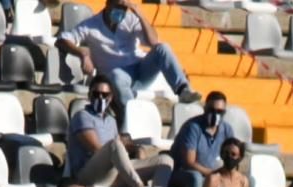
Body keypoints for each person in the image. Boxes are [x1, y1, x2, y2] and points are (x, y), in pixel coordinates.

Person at [55, 0, 202, 109]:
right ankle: (130, 117)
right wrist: (82, 53)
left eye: (124, 9)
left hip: (140, 70)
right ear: (108, 4)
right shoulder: (91, 25)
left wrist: (140, 15)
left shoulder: (130, 20)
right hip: (116, 74)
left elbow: (153, 41)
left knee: (163, 48)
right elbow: (62, 40)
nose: (121, 12)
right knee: (117, 77)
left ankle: (182, 90)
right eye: (117, 7)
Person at [68, 74, 166, 187]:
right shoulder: (82, 116)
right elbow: (96, 149)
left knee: (165, 161)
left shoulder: (111, 121)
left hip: (112, 172)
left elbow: (118, 149)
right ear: (89, 95)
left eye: (104, 95)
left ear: (111, 97)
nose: (100, 98)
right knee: (114, 145)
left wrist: (136, 149)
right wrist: (120, 160)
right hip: (88, 174)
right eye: (96, 94)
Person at [168, 92, 232, 187]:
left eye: (220, 111)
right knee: (196, 177)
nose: (216, 115)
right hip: (183, 173)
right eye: (211, 110)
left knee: (244, 180)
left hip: (212, 175)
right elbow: (189, 162)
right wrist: (213, 174)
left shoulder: (227, 129)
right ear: (205, 108)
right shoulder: (193, 127)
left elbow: (233, 153)